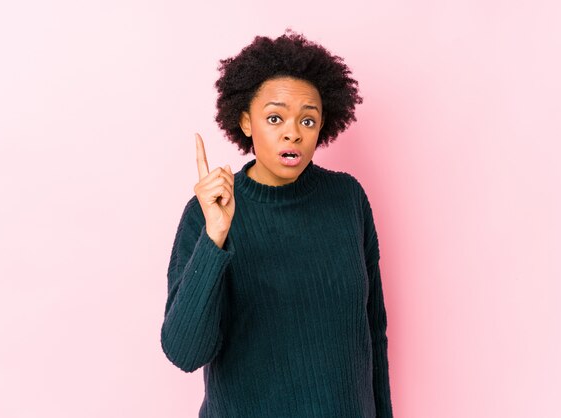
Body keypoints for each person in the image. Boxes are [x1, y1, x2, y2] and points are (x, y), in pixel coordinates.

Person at [160, 29, 394, 417]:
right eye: (275, 117)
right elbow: (186, 352)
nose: (293, 132)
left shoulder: (347, 199)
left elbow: (373, 332)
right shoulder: (209, 212)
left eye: (308, 120)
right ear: (246, 122)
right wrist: (215, 236)